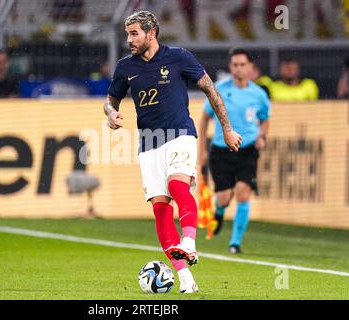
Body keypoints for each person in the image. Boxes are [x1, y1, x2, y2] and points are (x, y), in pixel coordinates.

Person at [104, 11, 241, 293]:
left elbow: (211, 90)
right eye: (127, 34)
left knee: (177, 185)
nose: (129, 40)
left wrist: (227, 128)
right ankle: (186, 279)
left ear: (151, 33)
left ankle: (188, 243)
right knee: (160, 209)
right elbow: (110, 100)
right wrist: (111, 113)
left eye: (134, 34)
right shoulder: (125, 66)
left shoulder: (178, 57)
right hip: (148, 143)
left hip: (180, 134)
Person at [198, 48, 270, 254]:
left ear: (250, 68)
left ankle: (235, 243)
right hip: (221, 150)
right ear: (230, 67)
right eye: (235, 65)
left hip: (247, 149)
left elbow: (265, 119)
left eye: (242, 65)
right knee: (223, 197)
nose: (238, 68)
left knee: (243, 193)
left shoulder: (258, 94)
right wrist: (202, 149)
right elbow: (204, 119)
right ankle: (219, 211)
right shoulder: (218, 89)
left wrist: (262, 136)